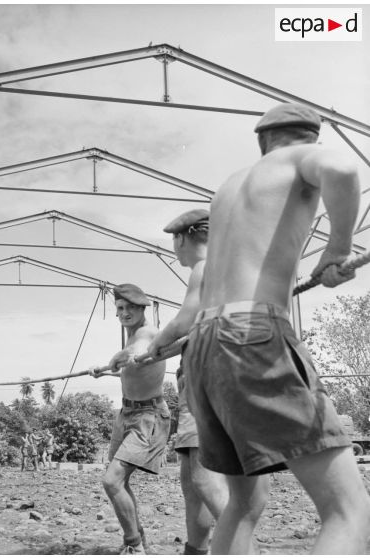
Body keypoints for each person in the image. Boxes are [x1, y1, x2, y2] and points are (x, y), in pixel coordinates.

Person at [185, 102, 370, 554]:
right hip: (254, 334)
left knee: (243, 503)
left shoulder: (229, 188)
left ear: (262, 140)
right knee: (350, 511)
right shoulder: (297, 158)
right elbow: (344, 169)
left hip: (205, 347)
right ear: (310, 137)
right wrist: (338, 246)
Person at [147, 209, 234, 555]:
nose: (174, 250)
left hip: (204, 381)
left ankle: (245, 548)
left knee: (202, 475)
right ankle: (196, 548)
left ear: (183, 237)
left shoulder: (204, 268)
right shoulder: (229, 268)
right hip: (214, 376)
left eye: (174, 242)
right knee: (190, 478)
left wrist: (155, 344)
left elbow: (186, 319)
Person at [90, 283, 170, 555]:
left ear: (142, 308)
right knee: (119, 483)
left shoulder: (148, 334)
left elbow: (142, 353)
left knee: (111, 481)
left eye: (129, 308)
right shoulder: (132, 335)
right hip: (126, 414)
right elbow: (134, 370)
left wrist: (120, 356)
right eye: (120, 308)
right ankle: (137, 539)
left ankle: (135, 546)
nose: (123, 313)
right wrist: (105, 370)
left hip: (148, 416)